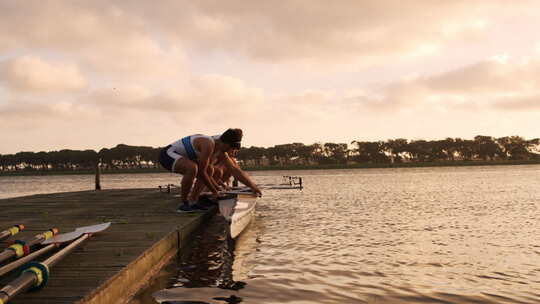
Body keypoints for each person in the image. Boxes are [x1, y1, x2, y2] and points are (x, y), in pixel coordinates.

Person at [159, 128, 262, 213]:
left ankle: (194, 201)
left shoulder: (221, 145)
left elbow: (235, 170)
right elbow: (201, 173)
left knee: (210, 170)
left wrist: (253, 186)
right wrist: (215, 191)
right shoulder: (208, 144)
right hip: (167, 155)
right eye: (230, 148)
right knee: (193, 168)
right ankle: (184, 204)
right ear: (225, 143)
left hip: (181, 157)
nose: (229, 151)